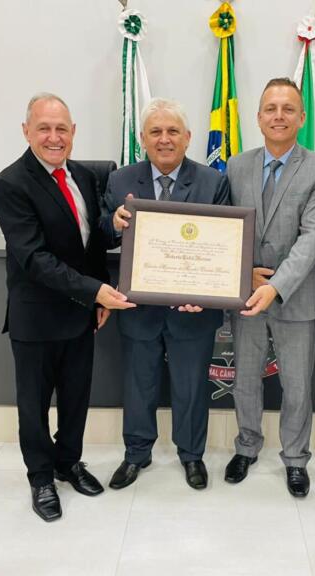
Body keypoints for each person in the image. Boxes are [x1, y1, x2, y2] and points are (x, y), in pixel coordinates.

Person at [0, 93, 134, 522]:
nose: (54, 138)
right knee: (33, 406)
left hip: (80, 313)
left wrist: (115, 226)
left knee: (76, 398)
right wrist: (95, 291)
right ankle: (40, 478)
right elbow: (34, 259)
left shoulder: (85, 176)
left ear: (73, 132)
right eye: (44, 128)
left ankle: (69, 462)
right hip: (36, 316)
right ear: (26, 131)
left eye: (61, 129)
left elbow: (88, 241)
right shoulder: (11, 183)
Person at [102, 98, 230, 491]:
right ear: (142, 139)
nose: (164, 139)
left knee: (191, 385)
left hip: (193, 309)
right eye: (155, 131)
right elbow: (102, 234)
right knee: (138, 383)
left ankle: (191, 456)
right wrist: (114, 222)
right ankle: (136, 454)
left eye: (173, 131)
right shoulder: (120, 181)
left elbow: (224, 244)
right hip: (139, 306)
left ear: (188, 138)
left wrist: (205, 295)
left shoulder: (213, 182)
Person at [224, 78, 315, 497]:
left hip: (297, 296)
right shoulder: (236, 165)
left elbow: (314, 236)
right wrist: (241, 275)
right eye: (270, 108)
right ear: (257, 117)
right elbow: (225, 230)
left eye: (288, 108)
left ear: (301, 117)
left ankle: (295, 458)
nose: (278, 115)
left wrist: (276, 286)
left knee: (297, 384)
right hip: (246, 294)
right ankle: (247, 446)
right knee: (245, 379)